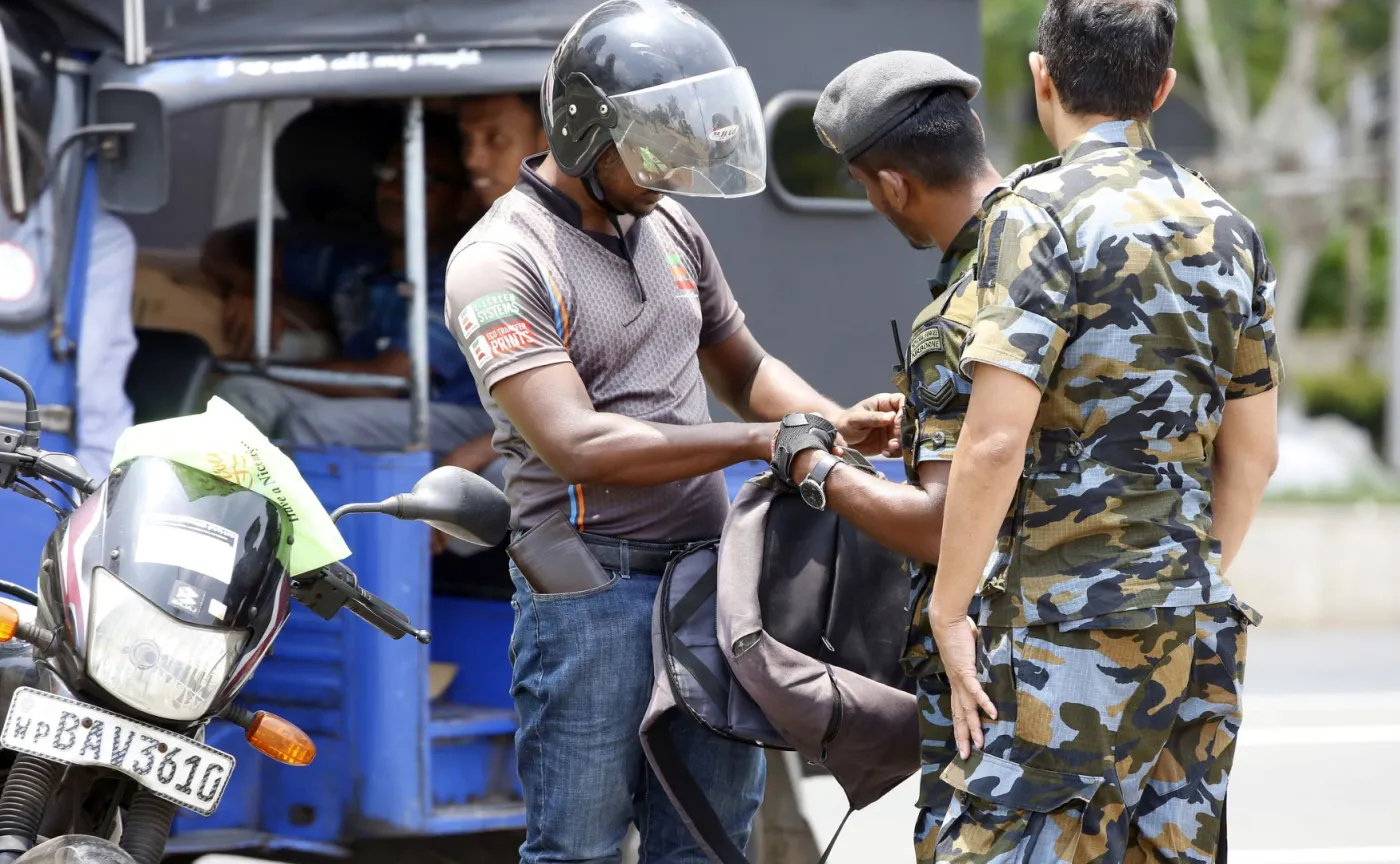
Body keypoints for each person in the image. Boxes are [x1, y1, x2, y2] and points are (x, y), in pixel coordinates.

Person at [443, 2, 898, 861]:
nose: (673, 165)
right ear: (581, 126)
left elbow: (742, 368)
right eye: (650, 141)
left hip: (707, 580)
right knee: (578, 847)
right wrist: (760, 442)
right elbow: (576, 444)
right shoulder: (500, 260)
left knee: (709, 841)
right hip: (591, 587)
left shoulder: (672, 227)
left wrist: (833, 421)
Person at [929, 1, 1281, 862]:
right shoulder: (1231, 230)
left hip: (1064, 631)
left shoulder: (1035, 214)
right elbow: (1255, 453)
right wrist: (1178, 580)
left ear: (1042, 78)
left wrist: (948, 611)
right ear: (1161, 89)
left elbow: (993, 441)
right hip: (1197, 625)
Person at [806, 51, 1003, 861]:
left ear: (892, 185)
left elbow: (937, 527)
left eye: (864, 186)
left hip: (993, 671)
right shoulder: (1059, 251)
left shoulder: (957, 314)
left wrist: (813, 468)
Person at [214, 113, 496, 478]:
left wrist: (267, 368)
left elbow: (389, 380)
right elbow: (221, 247)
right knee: (239, 396)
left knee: (311, 425)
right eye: (387, 174)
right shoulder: (361, 259)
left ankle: (301, 534)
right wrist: (250, 287)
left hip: (455, 417)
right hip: (372, 407)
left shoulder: (465, 269)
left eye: (420, 180)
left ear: (465, 201)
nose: (393, 191)